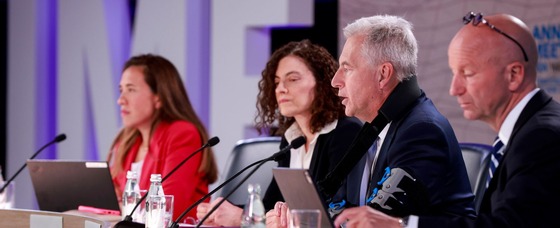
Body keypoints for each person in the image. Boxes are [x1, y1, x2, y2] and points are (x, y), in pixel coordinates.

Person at [334, 12, 560, 228]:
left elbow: (511, 226)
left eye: (468, 73)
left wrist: (403, 226)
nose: (454, 89)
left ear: (514, 75)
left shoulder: (542, 137)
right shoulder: (528, 133)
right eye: (454, 74)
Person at [195, 40, 362, 227]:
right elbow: (271, 206)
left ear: (322, 82)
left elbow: (332, 211)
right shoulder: (291, 139)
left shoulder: (345, 132)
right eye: (277, 82)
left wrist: (242, 217)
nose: (281, 89)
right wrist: (224, 211)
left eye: (292, 79)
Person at [328, 14, 476, 224]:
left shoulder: (422, 130)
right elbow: (342, 203)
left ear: (383, 74)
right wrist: (302, 216)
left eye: (347, 68)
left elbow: (379, 218)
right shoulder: (373, 127)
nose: (336, 81)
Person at [108, 54, 218, 221]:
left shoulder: (182, 134)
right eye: (121, 90)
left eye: (131, 90)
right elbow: (109, 197)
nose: (120, 100)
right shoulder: (127, 141)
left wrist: (122, 206)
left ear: (158, 97)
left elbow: (165, 208)